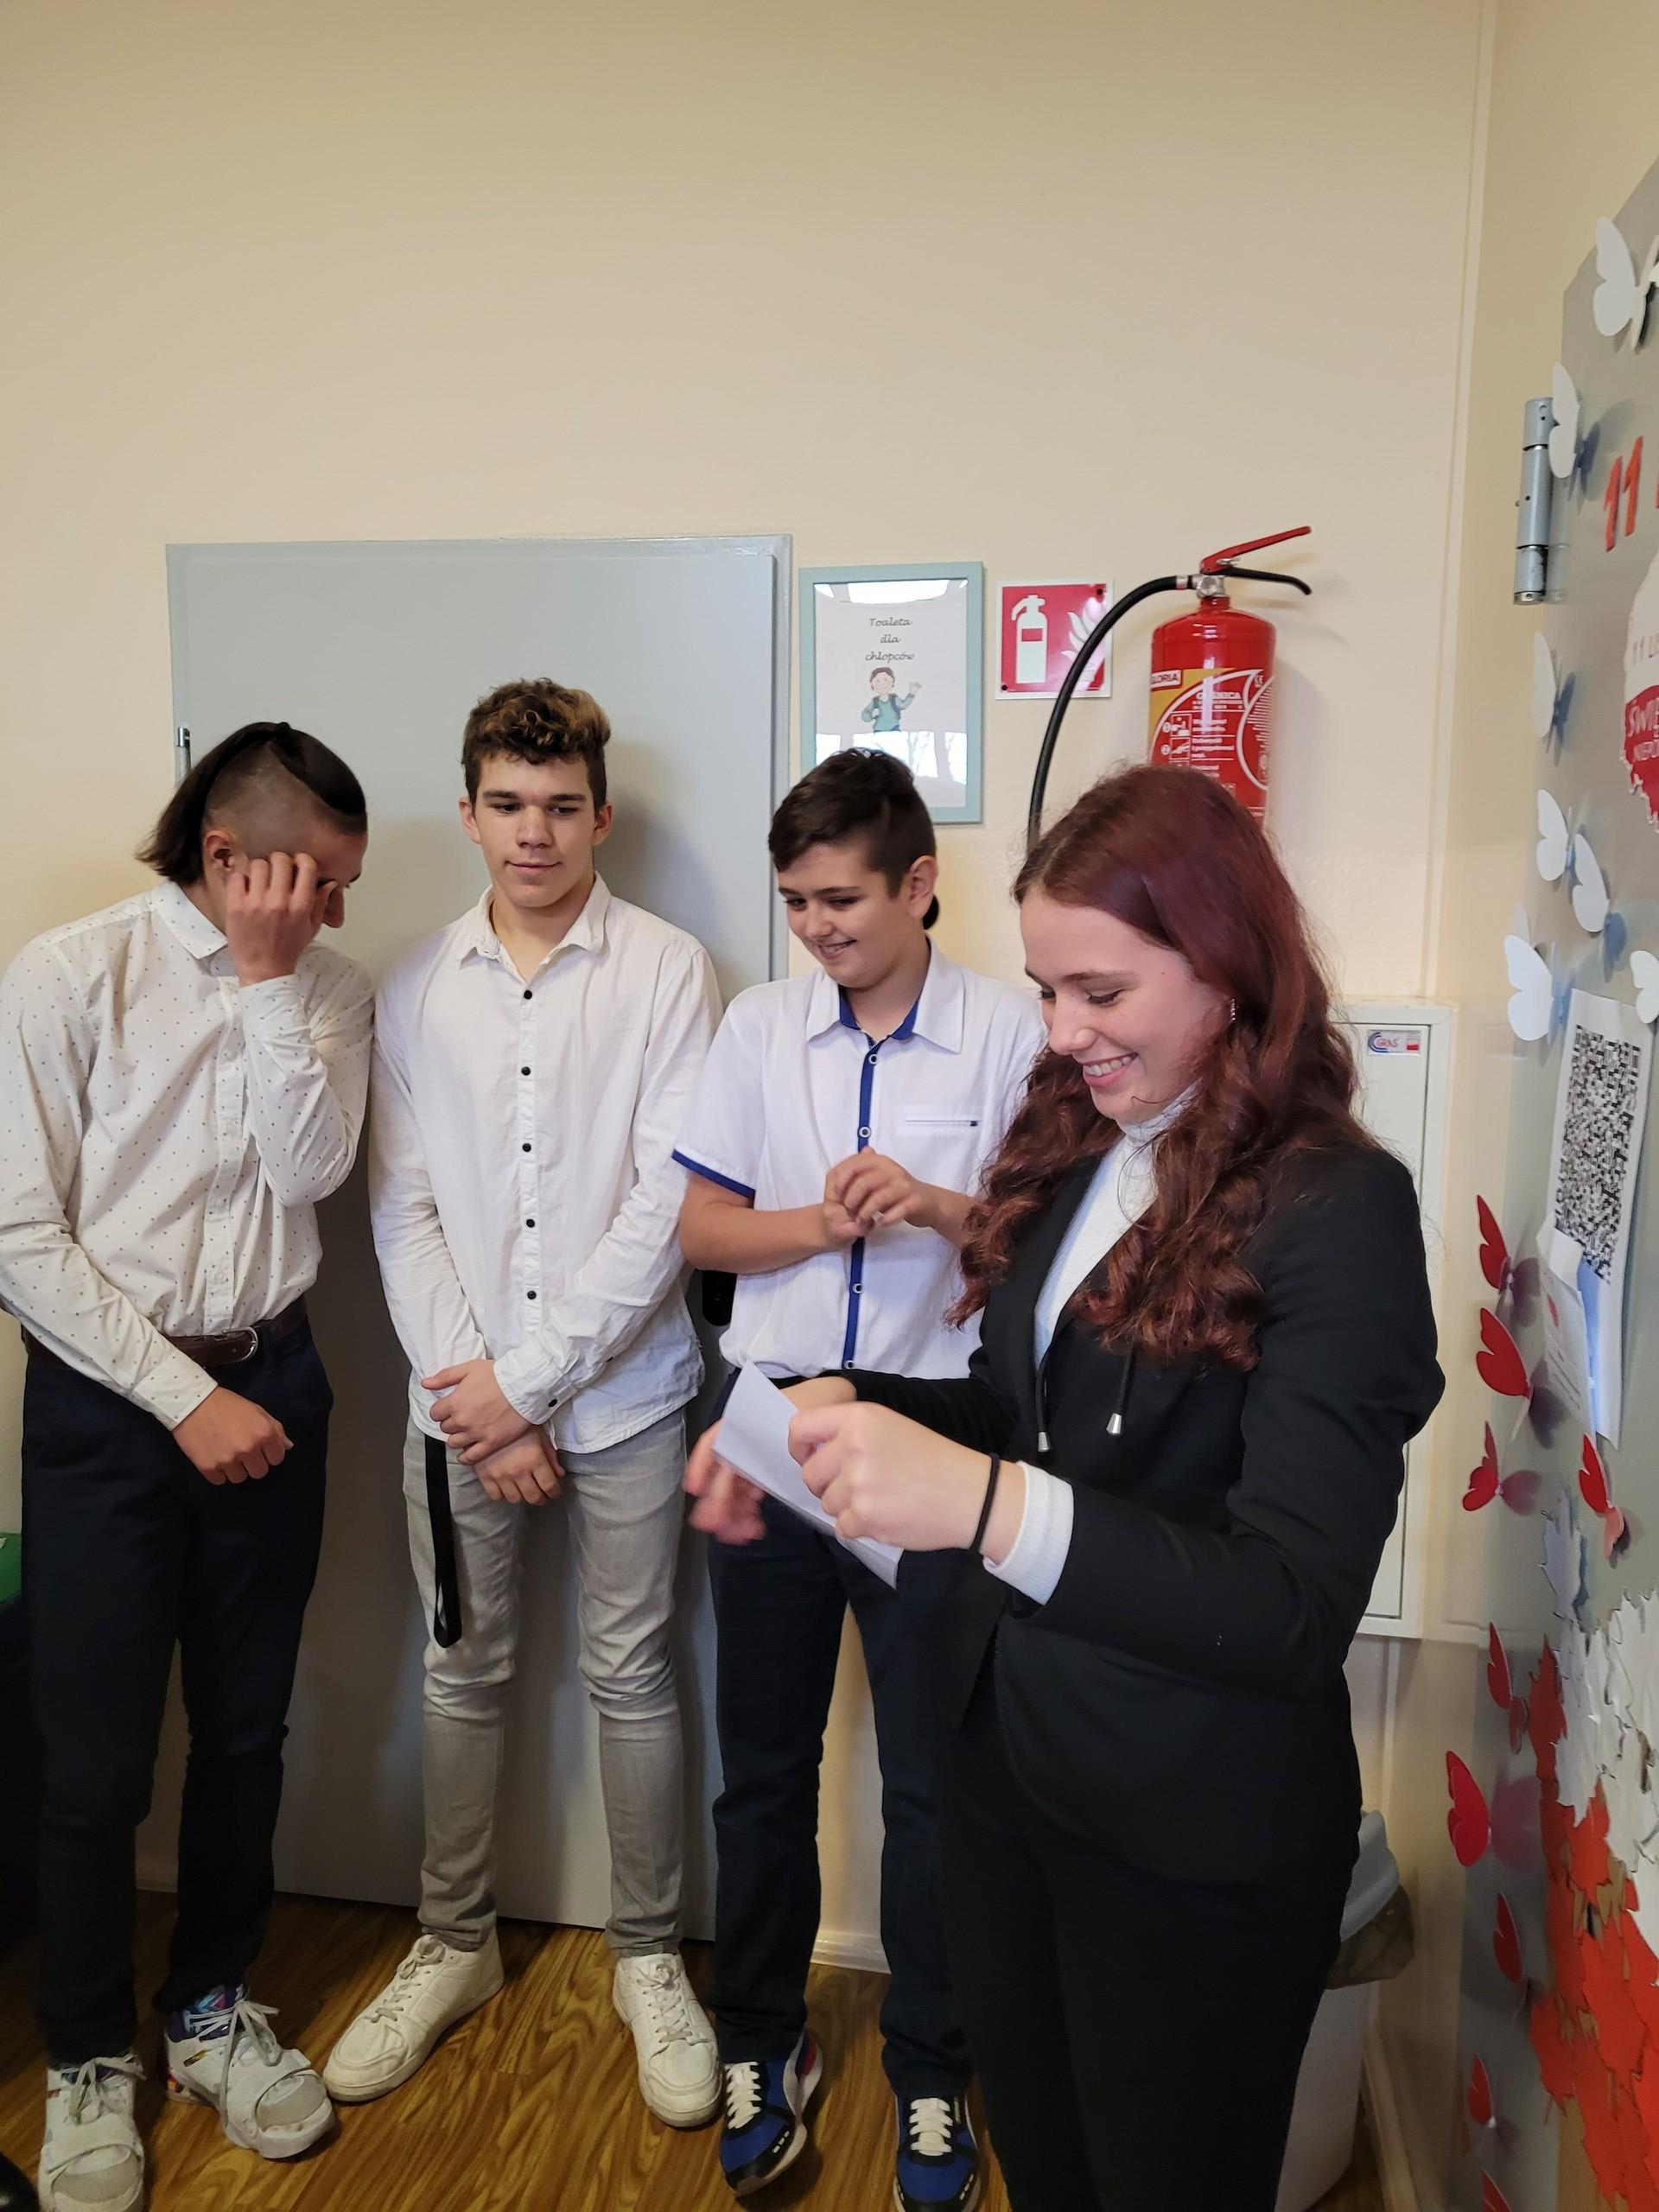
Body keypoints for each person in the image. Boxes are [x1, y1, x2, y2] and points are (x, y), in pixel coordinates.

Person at [690, 765, 1445, 2212]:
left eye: (1101, 992)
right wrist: (831, 1403)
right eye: (1046, 991)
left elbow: (1291, 1605)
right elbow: (1021, 1413)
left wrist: (980, 1505)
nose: (1061, 1033)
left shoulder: (1337, 1209)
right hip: (1013, 1774)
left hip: (1190, 1829)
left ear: (1229, 968)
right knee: (1045, 2156)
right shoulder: (1097, 1144)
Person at [323, 680, 723, 2127]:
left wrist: (533, 1387)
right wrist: (479, 1401)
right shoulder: (414, 987)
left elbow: (670, 1206)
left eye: (560, 807)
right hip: (459, 1404)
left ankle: (647, 1959)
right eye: (508, 805)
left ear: (600, 816)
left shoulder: (670, 971)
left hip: (629, 1401)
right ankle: (453, 1943)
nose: (534, 833)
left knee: (634, 1673)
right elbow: (402, 1211)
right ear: (470, 812)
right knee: (462, 1675)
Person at [0, 723, 374, 2212]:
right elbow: (20, 1239)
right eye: (319, 883)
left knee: (244, 1737)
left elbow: (314, 1175)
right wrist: (179, 1400)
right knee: (94, 1764)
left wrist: (273, 985)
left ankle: (210, 2007)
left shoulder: (329, 989)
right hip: (108, 1409)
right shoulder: (69, 974)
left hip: (275, 1385)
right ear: (231, 858)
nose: (337, 909)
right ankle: (91, 2055)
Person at [674, 748, 1044, 2209]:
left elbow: (1046, 1251)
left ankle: (935, 2069)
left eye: (842, 898)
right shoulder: (759, 1028)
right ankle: (761, 2039)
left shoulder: (1012, 1031)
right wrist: (820, 1227)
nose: (817, 926)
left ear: (918, 884)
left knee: (935, 1782)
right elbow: (704, 1231)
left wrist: (939, 1206)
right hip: (770, 1429)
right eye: (796, 901)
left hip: (934, 1439)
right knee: (761, 1769)